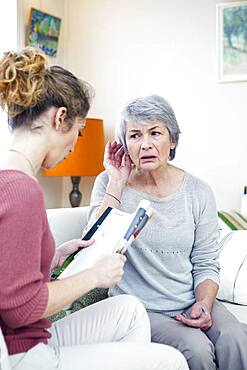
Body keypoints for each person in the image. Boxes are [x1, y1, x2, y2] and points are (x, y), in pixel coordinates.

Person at [0, 50, 189, 370]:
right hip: (24, 354)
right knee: (171, 360)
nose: (75, 145)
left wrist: (56, 255)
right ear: (60, 119)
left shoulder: (11, 179)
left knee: (128, 309)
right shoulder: (23, 191)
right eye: (80, 130)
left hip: (28, 338)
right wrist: (94, 276)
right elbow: (19, 310)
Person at [86, 94, 247, 370]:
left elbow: (206, 262)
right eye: (135, 135)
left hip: (190, 298)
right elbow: (93, 248)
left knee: (235, 338)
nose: (146, 144)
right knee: (196, 349)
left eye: (155, 133)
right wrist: (116, 182)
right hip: (140, 308)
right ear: (124, 144)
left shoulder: (199, 191)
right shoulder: (109, 183)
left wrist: (204, 304)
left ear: (172, 140)